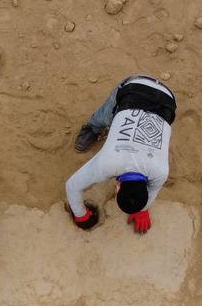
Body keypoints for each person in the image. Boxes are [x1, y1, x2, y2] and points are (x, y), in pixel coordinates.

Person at [66, 74, 175, 234]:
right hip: (136, 89)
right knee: (105, 116)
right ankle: (93, 127)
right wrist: (81, 217)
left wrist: (141, 208)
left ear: (118, 187)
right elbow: (71, 186)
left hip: (167, 101)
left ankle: (95, 128)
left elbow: (72, 186)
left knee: (113, 116)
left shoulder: (160, 172)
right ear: (117, 187)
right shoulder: (107, 164)